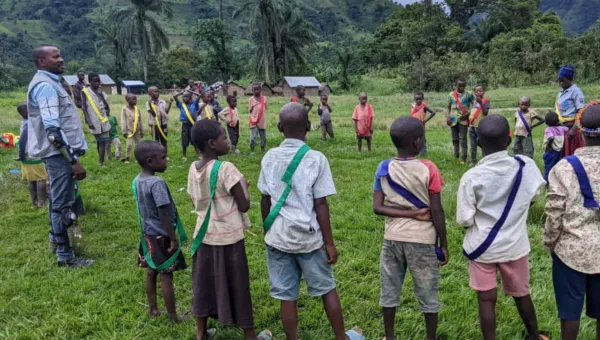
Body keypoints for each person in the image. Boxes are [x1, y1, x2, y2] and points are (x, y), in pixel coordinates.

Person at [258, 102, 364, 340]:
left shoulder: (269, 157)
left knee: (287, 296)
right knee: (327, 288)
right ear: (308, 126)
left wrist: (268, 228)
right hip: (309, 239)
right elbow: (321, 204)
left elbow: (264, 199)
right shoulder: (316, 159)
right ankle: (341, 337)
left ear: (278, 127)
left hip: (278, 237)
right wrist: (329, 243)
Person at [457, 115, 548, 340]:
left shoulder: (471, 177)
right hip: (514, 246)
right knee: (522, 294)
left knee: (486, 300)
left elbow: (464, 219)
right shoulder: (526, 166)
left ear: (478, 142)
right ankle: (535, 336)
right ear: (509, 139)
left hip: (482, 248)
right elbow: (534, 195)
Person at [187, 119, 272, 340]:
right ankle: (250, 335)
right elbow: (243, 204)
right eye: (224, 137)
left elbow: (195, 200)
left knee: (203, 284)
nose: (228, 141)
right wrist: (243, 183)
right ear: (212, 143)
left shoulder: (193, 168)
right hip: (229, 238)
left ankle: (201, 333)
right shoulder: (226, 168)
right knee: (237, 284)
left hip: (203, 236)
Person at [373, 116, 448, 340]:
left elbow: (377, 207)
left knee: (389, 288)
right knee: (427, 291)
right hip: (423, 241)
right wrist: (444, 243)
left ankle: (390, 336)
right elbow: (437, 211)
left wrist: (407, 214)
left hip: (392, 238)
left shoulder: (384, 167)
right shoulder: (428, 168)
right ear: (417, 143)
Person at [27, 45, 91, 267]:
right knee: (62, 205)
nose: (61, 59)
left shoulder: (51, 82)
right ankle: (65, 255)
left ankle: (56, 240)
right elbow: (53, 133)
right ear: (41, 61)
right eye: (56, 57)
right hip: (59, 156)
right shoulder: (45, 86)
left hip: (59, 156)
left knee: (57, 199)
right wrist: (73, 161)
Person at [544, 103, 600, 340]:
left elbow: (554, 213)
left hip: (570, 251)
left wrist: (550, 243)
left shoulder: (563, 168)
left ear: (579, 128)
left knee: (569, 312)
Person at [133, 141, 188, 323]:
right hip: (162, 236)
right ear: (150, 161)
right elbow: (163, 213)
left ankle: (153, 310)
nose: (167, 160)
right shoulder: (157, 183)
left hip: (147, 234)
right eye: (163, 158)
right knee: (166, 275)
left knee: (150, 271)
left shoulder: (138, 180)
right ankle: (173, 317)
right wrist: (172, 238)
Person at [16, 102, 48, 208]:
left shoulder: (24, 122)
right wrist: (21, 153)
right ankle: (42, 202)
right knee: (41, 178)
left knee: (32, 179)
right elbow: (22, 140)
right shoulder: (30, 122)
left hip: (25, 154)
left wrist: (21, 154)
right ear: (26, 111)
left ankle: (34, 201)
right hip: (33, 154)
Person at [81, 72, 111, 167]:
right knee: (100, 141)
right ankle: (101, 160)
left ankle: (101, 162)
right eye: (95, 81)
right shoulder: (85, 92)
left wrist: (101, 95)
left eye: (98, 81)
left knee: (103, 141)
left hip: (103, 120)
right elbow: (84, 107)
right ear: (90, 81)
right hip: (93, 120)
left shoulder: (101, 92)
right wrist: (88, 120)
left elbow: (106, 106)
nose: (97, 83)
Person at [556, 65, 585, 156]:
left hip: (571, 128)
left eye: (562, 80)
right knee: (563, 153)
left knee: (571, 154)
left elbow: (580, 112)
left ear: (569, 79)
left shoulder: (576, 92)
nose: (560, 83)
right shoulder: (561, 92)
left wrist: (573, 129)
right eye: (559, 80)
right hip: (561, 128)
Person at [447, 77, 475, 164]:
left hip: (463, 120)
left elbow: (475, 105)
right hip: (453, 120)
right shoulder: (451, 94)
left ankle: (464, 158)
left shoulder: (469, 94)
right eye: (459, 86)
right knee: (455, 139)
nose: (461, 88)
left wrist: (468, 114)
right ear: (456, 85)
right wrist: (448, 117)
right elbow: (448, 107)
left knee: (463, 139)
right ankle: (456, 156)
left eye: (463, 86)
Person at [173, 90, 201, 161]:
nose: (185, 98)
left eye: (187, 97)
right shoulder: (181, 105)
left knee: (195, 139)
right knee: (184, 139)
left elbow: (199, 95)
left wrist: (191, 91)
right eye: (183, 97)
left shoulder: (194, 104)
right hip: (185, 125)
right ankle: (184, 155)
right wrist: (181, 92)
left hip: (193, 124)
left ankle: (198, 154)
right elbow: (175, 97)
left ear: (191, 98)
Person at [542, 112, 568, 182]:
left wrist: (549, 144)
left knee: (548, 167)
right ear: (557, 121)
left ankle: (547, 182)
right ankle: (556, 180)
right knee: (557, 166)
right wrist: (559, 124)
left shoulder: (548, 129)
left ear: (546, 122)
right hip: (559, 151)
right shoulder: (561, 128)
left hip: (550, 151)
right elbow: (567, 129)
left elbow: (551, 138)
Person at [146, 86, 172, 155]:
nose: (157, 93)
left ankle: (165, 154)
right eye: (155, 92)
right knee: (155, 140)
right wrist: (150, 105)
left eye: (158, 91)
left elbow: (166, 112)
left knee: (164, 138)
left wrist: (170, 104)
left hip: (164, 123)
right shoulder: (148, 103)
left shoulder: (162, 102)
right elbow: (154, 114)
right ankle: (156, 154)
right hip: (155, 124)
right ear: (150, 94)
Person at [468, 86, 490, 165]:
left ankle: (485, 161)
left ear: (483, 92)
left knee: (482, 144)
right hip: (472, 126)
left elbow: (485, 113)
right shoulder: (474, 102)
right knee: (473, 145)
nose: (478, 92)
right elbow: (472, 112)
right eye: (476, 91)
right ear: (474, 93)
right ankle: (473, 161)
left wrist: (481, 103)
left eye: (480, 91)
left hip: (480, 126)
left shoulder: (486, 101)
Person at [410, 92, 436, 156]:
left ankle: (423, 155)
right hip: (413, 126)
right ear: (414, 99)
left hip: (421, 126)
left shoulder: (424, 106)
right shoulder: (412, 105)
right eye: (417, 99)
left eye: (420, 99)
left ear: (423, 99)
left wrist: (425, 121)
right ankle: (414, 154)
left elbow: (433, 112)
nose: (418, 100)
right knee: (413, 140)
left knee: (422, 141)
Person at [121, 94, 144, 164]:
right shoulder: (124, 109)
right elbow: (123, 120)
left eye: (136, 99)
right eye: (133, 99)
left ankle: (138, 158)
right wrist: (124, 131)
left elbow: (140, 120)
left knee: (138, 145)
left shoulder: (137, 109)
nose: (135, 101)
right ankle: (127, 158)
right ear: (128, 100)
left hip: (137, 130)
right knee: (129, 145)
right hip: (129, 130)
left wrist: (142, 131)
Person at [249, 83, 268, 153]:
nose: (256, 91)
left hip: (262, 122)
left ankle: (263, 149)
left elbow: (265, 108)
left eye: (258, 89)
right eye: (254, 89)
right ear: (252, 90)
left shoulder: (264, 98)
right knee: (252, 138)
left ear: (260, 90)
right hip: (253, 122)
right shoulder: (251, 99)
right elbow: (250, 110)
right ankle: (252, 150)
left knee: (263, 138)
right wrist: (254, 118)